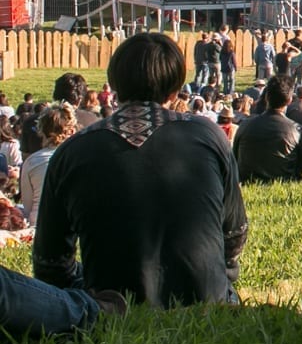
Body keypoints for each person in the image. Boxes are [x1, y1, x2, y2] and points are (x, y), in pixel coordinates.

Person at [32, 32, 249, 307]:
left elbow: (49, 262)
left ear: (113, 84)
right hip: (208, 300)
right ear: (175, 89)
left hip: (111, 307)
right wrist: (216, 281)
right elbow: (235, 233)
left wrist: (87, 290)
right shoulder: (209, 136)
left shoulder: (72, 151)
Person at [232, 75, 302, 183]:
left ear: (266, 97)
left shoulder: (245, 125)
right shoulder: (298, 130)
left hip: (247, 181)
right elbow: (300, 169)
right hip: (284, 181)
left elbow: (235, 158)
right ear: (289, 100)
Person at [18, 104, 74, 222]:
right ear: (72, 130)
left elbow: (27, 204)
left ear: (41, 129)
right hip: (73, 220)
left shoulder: (32, 161)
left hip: (40, 221)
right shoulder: (78, 158)